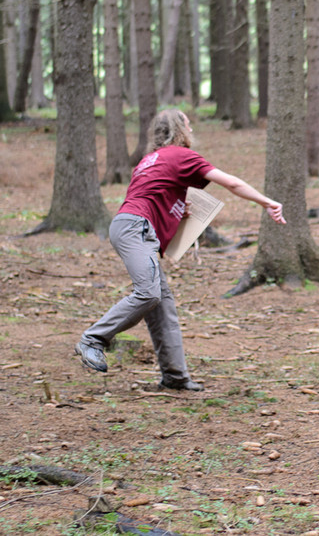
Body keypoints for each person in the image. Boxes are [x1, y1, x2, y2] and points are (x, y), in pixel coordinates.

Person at [75, 109, 286, 390]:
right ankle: (93, 339)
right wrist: (267, 202)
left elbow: (156, 195)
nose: (192, 129)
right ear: (180, 129)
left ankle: (175, 376)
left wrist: (178, 210)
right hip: (136, 228)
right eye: (189, 124)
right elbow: (232, 183)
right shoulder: (181, 155)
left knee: (162, 305)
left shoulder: (148, 161)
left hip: (129, 225)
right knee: (148, 293)